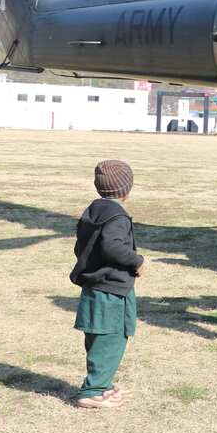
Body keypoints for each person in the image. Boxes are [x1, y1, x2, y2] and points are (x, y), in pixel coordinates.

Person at [71, 160, 144, 410]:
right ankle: (91, 391)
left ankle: (102, 384)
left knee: (98, 336)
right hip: (111, 289)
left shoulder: (94, 210)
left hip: (95, 285)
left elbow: (81, 247)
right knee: (110, 338)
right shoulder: (117, 217)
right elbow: (112, 246)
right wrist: (137, 260)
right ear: (127, 188)